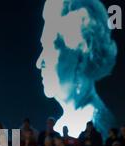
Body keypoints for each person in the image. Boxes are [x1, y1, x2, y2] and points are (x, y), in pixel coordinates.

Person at [37, 0, 118, 138]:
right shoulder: (62, 123)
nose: (39, 63)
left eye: (50, 48)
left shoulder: (99, 126)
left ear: (81, 59)